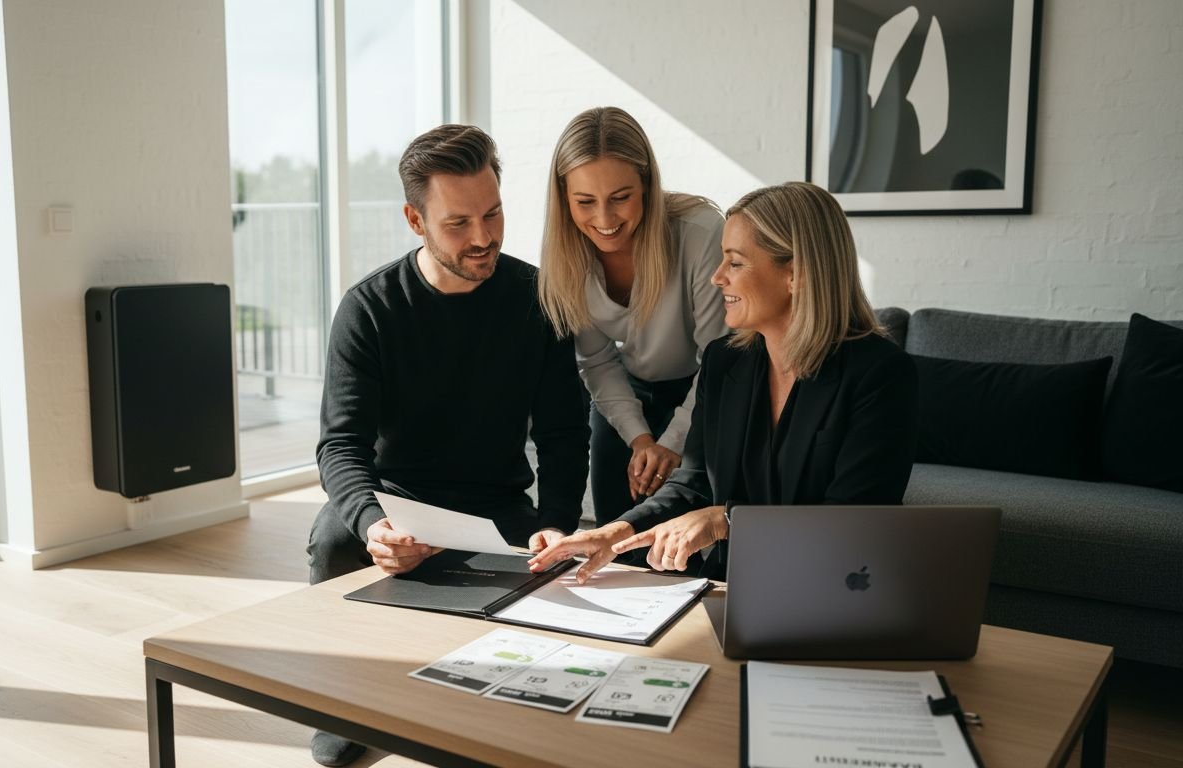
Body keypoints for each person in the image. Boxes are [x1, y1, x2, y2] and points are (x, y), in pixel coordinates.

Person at [307, 124, 589, 766]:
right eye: (459, 222)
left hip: (496, 500)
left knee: (550, 577)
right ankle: (344, 706)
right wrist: (374, 524)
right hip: (397, 496)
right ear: (415, 219)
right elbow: (340, 444)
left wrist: (556, 524)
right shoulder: (370, 309)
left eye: (492, 213)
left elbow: (564, 435)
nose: (484, 236)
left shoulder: (538, 298)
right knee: (334, 539)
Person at [529, 181, 918, 583]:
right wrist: (614, 533)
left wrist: (725, 519)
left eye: (735, 262)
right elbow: (694, 481)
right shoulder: (725, 361)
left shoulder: (881, 375)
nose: (717, 278)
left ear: (796, 274)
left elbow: (853, 525)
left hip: (828, 588)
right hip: (730, 585)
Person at [537, 106, 728, 534]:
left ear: (646, 185)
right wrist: (641, 440)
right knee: (615, 533)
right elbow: (597, 362)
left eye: (620, 198)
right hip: (626, 391)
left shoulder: (701, 234)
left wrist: (672, 442)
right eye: (585, 202)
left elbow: (718, 358)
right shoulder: (566, 256)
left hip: (707, 388)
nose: (604, 221)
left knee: (690, 537)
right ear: (564, 199)